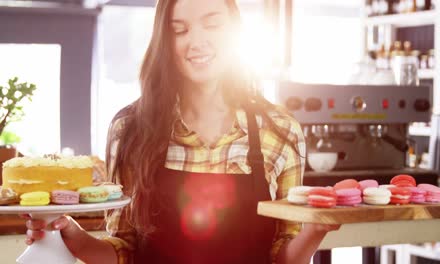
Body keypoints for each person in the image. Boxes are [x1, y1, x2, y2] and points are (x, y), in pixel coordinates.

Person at [24, 0, 339, 263]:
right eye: (180, 30)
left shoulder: (279, 131)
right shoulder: (130, 130)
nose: (197, 41)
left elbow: (282, 256)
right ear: (164, 40)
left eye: (212, 25)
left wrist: (315, 229)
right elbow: (125, 250)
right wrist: (76, 239)